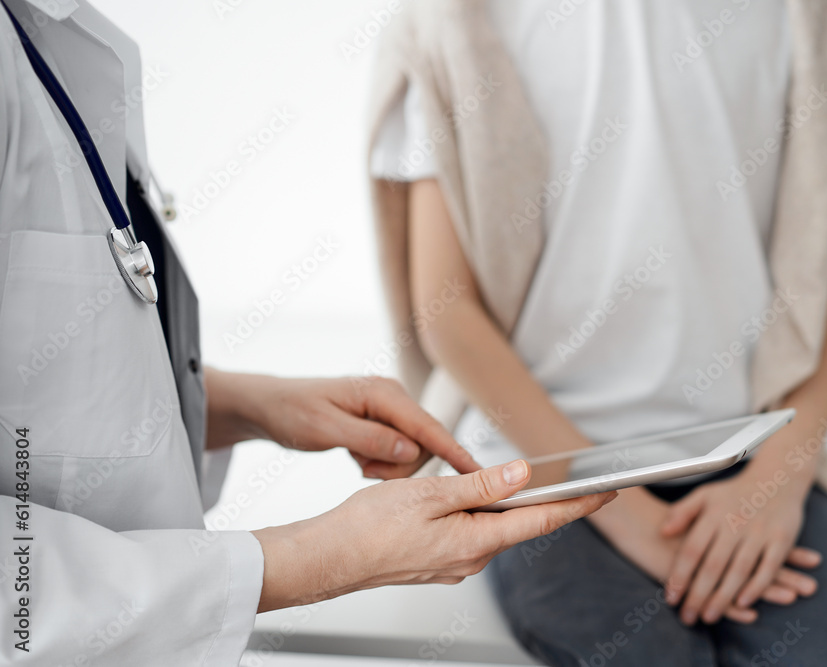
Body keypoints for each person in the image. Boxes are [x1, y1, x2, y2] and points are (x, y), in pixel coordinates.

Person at [0, 1, 614, 664]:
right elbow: (22, 598)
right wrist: (320, 556)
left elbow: (45, 398)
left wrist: (246, 404)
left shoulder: (56, 37)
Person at [368, 0, 827, 664]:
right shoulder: (453, 23)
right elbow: (447, 312)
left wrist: (776, 483)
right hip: (541, 470)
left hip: (747, 452)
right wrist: (629, 517)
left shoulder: (821, 19)